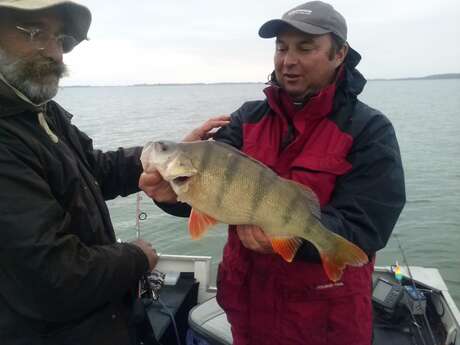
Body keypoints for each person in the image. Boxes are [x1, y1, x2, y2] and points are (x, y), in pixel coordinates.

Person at [140, 1, 406, 344]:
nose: (287, 60)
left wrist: (295, 237)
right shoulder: (245, 119)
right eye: (281, 47)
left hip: (326, 322)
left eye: (305, 48)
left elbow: (369, 224)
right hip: (248, 312)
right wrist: (170, 195)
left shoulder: (369, 130)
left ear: (339, 54)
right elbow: (207, 196)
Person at [0, 1, 159, 344]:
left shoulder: (39, 111)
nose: (56, 55)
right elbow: (55, 276)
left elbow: (93, 170)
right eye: (36, 32)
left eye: (59, 38)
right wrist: (136, 257)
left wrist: (159, 158)